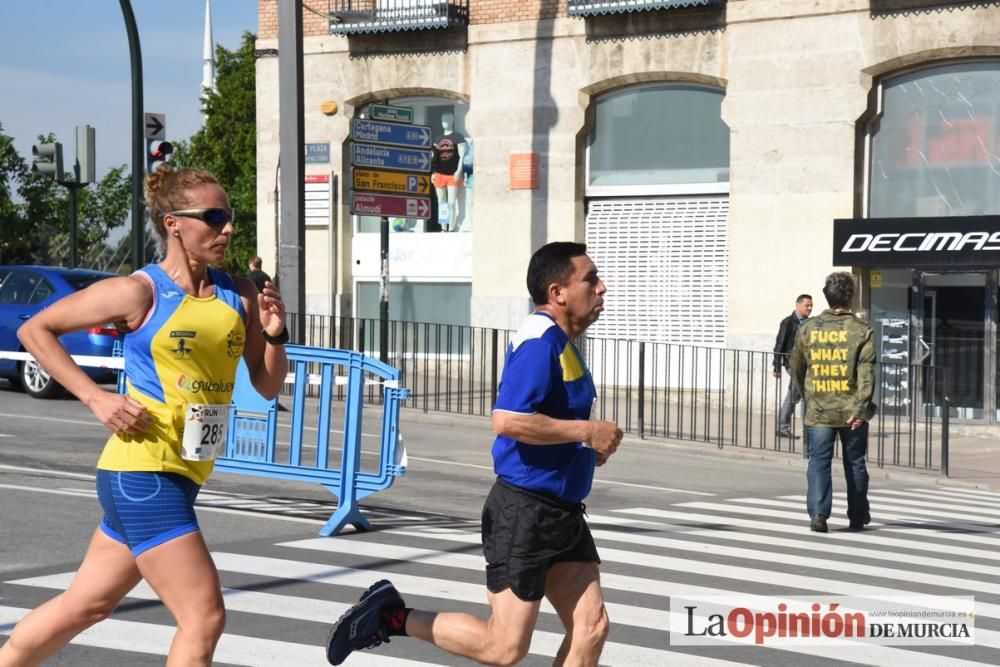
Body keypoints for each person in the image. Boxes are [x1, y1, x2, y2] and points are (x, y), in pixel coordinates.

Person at [0, 165, 290, 666]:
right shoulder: (140, 292)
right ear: (173, 222)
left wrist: (276, 335)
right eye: (214, 217)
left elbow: (265, 385)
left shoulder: (238, 294)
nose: (227, 229)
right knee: (204, 617)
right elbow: (36, 331)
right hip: (143, 470)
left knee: (87, 604)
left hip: (182, 473)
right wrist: (97, 398)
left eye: (230, 218)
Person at [325, 241, 623, 666]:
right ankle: (389, 616)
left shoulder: (562, 343)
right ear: (558, 292)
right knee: (503, 648)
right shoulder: (539, 341)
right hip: (525, 513)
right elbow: (507, 420)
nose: (602, 287)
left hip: (563, 513)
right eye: (591, 279)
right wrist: (586, 430)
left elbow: (547, 423)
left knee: (591, 627)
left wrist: (584, 449)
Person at [790, 272, 875, 534]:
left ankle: (818, 513)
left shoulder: (808, 328)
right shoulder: (862, 330)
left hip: (819, 409)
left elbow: (797, 367)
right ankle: (858, 515)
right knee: (855, 463)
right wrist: (861, 408)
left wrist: (810, 396)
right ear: (851, 297)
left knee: (818, 462)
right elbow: (866, 374)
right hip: (852, 412)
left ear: (827, 297)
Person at [773, 294, 813, 438]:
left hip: (805, 365)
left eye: (811, 306)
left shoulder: (809, 323)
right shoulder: (788, 323)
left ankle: (784, 427)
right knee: (804, 395)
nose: (809, 308)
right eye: (807, 305)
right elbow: (779, 345)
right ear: (798, 305)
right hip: (793, 364)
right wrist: (776, 366)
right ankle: (806, 429)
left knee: (794, 395)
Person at [431, 111, 467, 232]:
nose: (444, 122)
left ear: (452, 120)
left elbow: (462, 156)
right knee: (441, 202)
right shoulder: (438, 139)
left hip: (453, 174)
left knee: (451, 202)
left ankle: (451, 227)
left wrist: (459, 171)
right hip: (439, 174)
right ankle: (443, 227)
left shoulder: (458, 137)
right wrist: (433, 172)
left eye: (446, 119)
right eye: (442, 120)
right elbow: (434, 157)